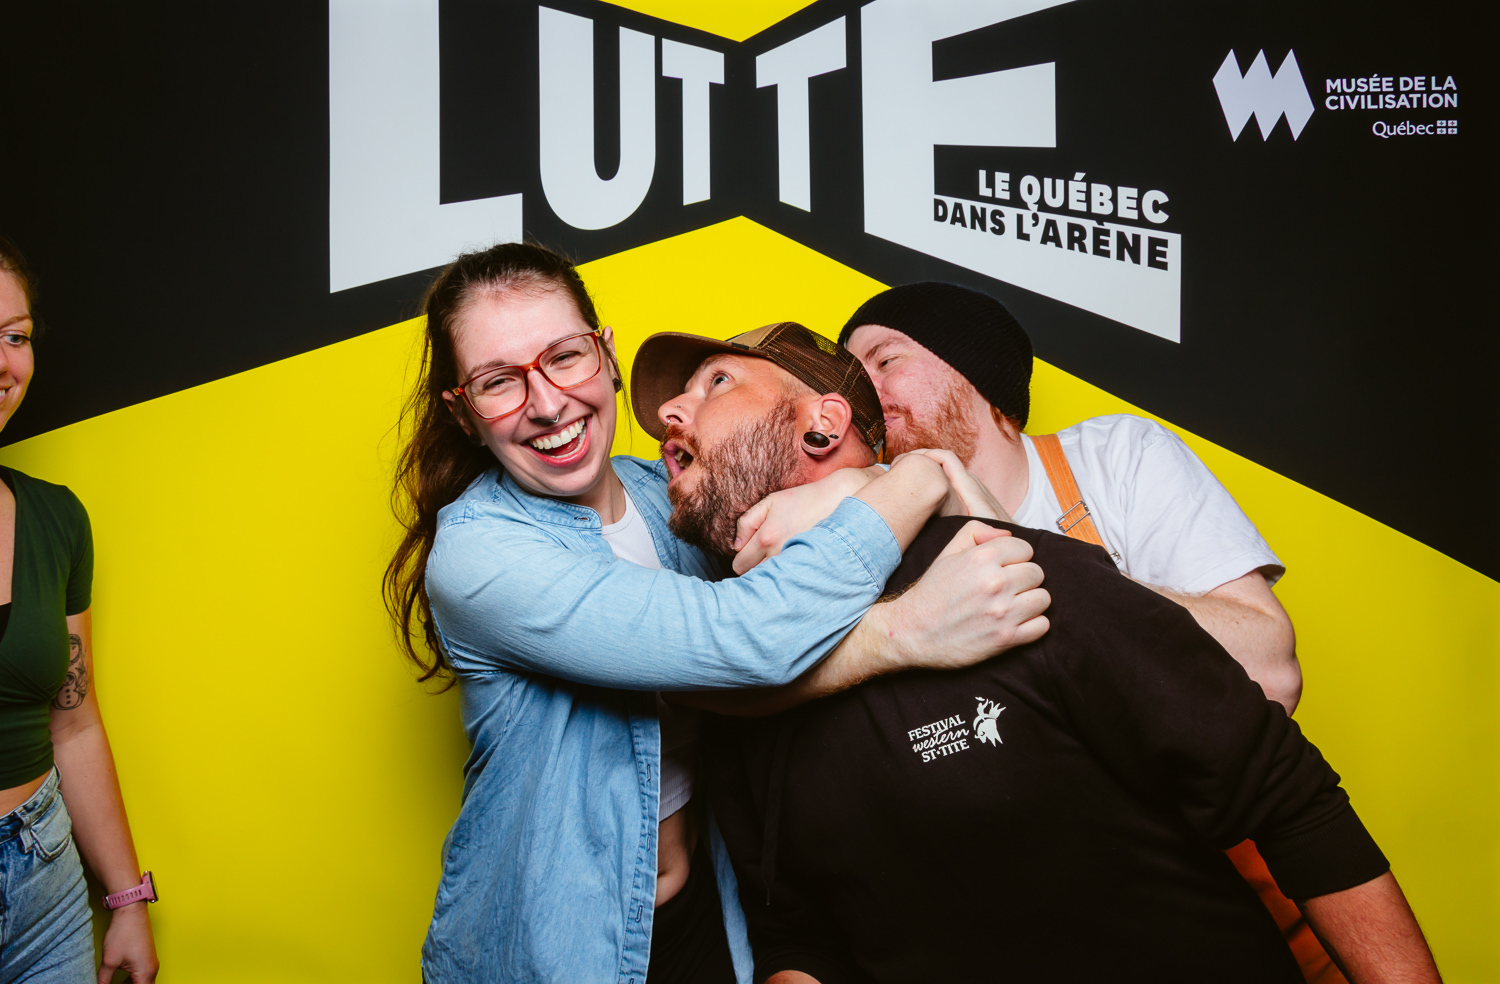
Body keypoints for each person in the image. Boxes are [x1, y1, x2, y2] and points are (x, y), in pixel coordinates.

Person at [634, 323, 1442, 984]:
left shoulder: (1006, 570)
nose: (670, 410)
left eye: (716, 382)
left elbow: (1285, 798)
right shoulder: (730, 685)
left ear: (824, 424)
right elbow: (800, 932)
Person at [383, 243, 1050, 984]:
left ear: (606, 356)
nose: (545, 404)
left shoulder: (672, 495)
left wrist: (844, 488)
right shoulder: (481, 554)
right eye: (499, 382)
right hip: (558, 950)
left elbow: (751, 641)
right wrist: (912, 571)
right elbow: (741, 640)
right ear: (464, 413)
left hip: (710, 921)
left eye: (565, 357)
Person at [838, 282, 1301, 713]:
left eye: (886, 362)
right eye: (852, 380)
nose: (861, 396)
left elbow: (1271, 671)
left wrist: (1045, 566)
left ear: (971, 370)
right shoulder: (857, 519)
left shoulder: (1118, 456)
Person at [0, 236, 158, 983]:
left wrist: (127, 900)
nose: (4, 362)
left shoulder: (56, 519)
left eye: (16, 336)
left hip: (46, 878)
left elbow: (76, 722)